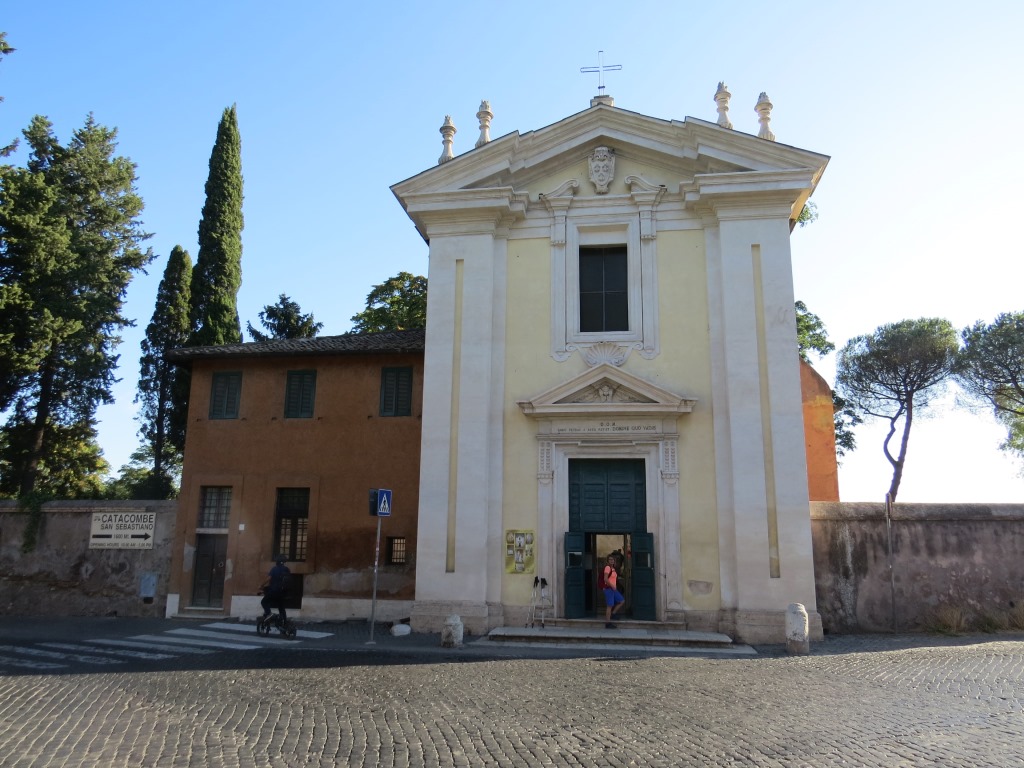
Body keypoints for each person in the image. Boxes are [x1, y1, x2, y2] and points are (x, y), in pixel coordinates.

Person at [261, 555, 291, 623]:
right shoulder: (287, 569)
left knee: (264, 602)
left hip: (274, 591)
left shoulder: (274, 569)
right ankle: (284, 622)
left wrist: (261, 585)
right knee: (281, 607)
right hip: (283, 592)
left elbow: (269, 578)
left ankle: (269, 614)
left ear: (277, 562)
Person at [602, 553, 625, 628]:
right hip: (609, 589)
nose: (612, 561)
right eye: (610, 559)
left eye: (613, 559)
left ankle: (613, 614)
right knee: (609, 606)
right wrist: (612, 586)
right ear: (607, 561)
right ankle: (607, 623)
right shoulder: (607, 568)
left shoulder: (613, 568)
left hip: (613, 589)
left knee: (622, 601)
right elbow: (605, 579)